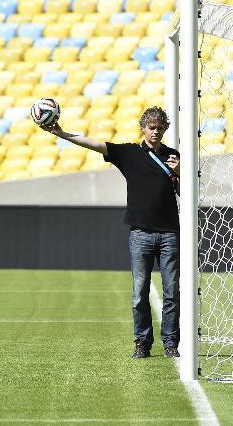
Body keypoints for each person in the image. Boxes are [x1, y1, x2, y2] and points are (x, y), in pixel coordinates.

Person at [38, 106, 181, 359]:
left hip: (170, 233)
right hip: (140, 234)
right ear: (143, 128)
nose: (155, 132)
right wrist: (61, 133)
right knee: (139, 293)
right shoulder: (128, 153)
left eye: (160, 128)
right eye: (151, 127)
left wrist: (179, 172)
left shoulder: (173, 156)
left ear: (165, 129)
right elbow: (93, 144)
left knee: (172, 293)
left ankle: (171, 343)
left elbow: (186, 192)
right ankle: (142, 342)